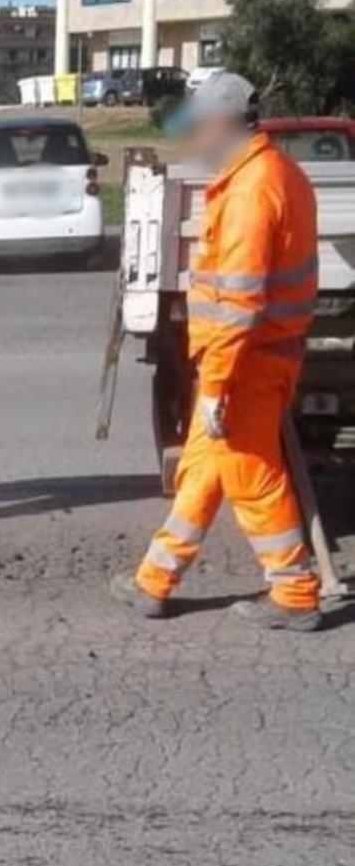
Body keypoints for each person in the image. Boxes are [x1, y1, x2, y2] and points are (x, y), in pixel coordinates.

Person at [111, 72, 323, 631]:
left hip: (246, 363)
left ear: (225, 124)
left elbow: (237, 302)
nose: (196, 141)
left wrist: (220, 386)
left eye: (200, 128)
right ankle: (153, 581)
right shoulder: (268, 174)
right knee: (203, 469)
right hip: (247, 358)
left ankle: (296, 592)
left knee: (252, 474)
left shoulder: (255, 188)